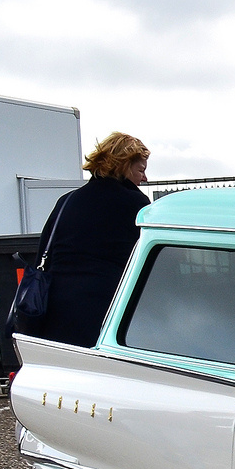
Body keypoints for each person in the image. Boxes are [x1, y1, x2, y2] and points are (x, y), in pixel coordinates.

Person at [26, 132, 151, 346]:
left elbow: (44, 254)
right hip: (108, 316)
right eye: (141, 170)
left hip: (56, 315)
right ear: (124, 166)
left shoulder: (67, 201)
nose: (144, 178)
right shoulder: (135, 203)